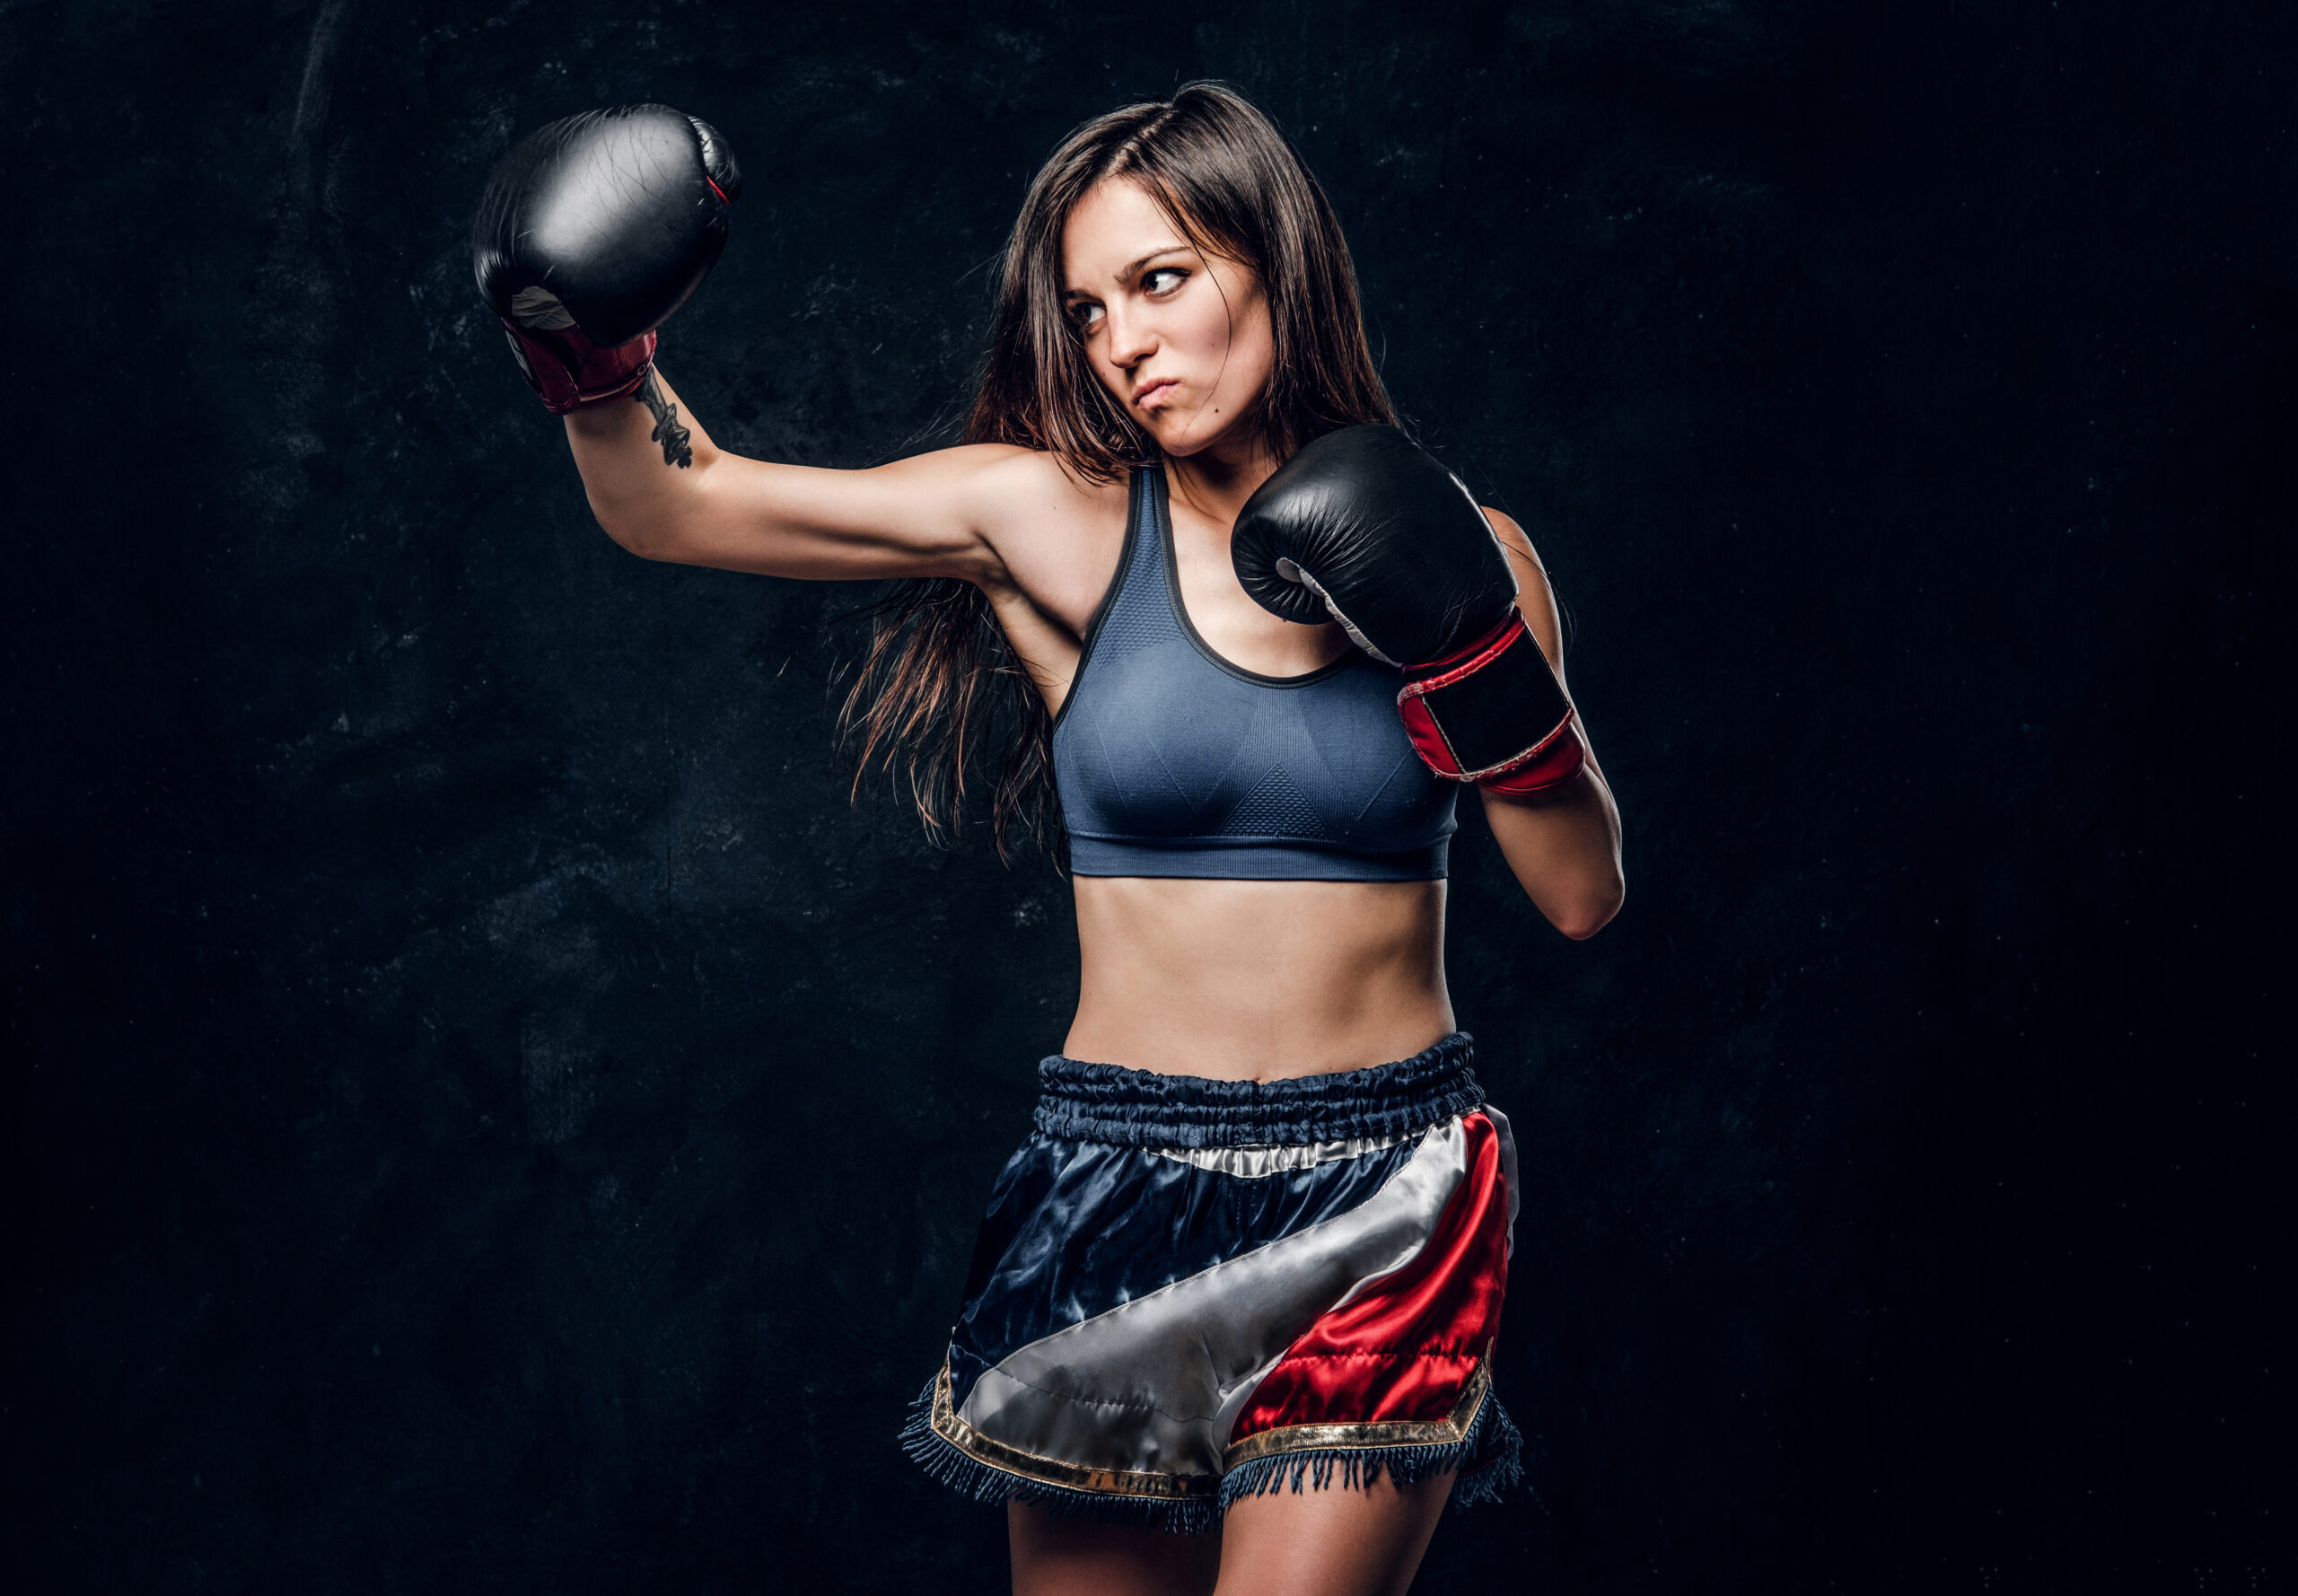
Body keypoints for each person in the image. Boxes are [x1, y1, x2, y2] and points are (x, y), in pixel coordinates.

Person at [474, 83, 1624, 1596]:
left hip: (1385, 1197)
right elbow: (683, 509)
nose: (1124, 344)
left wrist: (1464, 645)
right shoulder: (1058, 521)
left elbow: (1581, 891)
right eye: (1087, 311)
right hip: (1117, 1179)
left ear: (1275, 261)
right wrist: (591, 357)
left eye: (1160, 282)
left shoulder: (1475, 549)